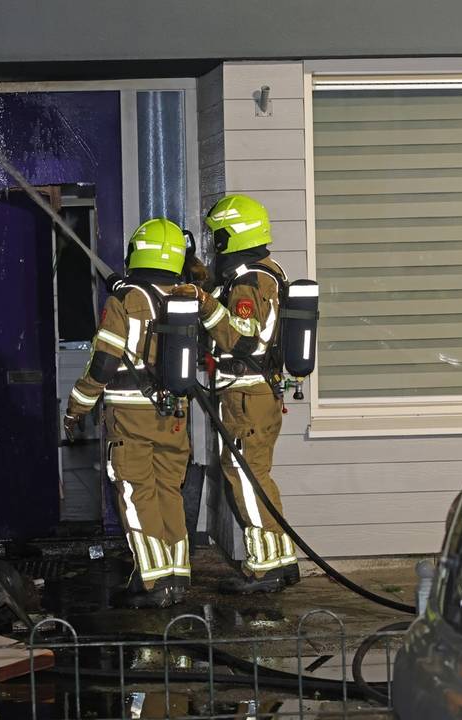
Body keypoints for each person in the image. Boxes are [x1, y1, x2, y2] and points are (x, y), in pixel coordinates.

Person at [63, 218, 191, 609]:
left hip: (132, 417)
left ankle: (152, 582)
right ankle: (176, 576)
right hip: (175, 414)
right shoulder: (183, 297)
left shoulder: (125, 302)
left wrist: (77, 406)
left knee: (137, 493)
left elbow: (104, 362)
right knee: (169, 492)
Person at [176, 194, 300, 594]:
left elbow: (244, 340)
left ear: (232, 234)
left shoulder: (249, 280)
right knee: (256, 475)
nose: (217, 244)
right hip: (253, 394)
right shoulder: (264, 271)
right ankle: (281, 559)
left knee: (246, 477)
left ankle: (264, 569)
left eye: (219, 235)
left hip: (247, 397)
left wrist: (204, 303)